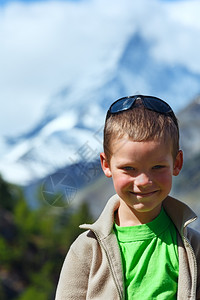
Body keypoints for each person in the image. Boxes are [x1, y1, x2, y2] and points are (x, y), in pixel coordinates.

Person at [55, 95, 200, 299]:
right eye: (129, 168)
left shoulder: (193, 247)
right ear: (106, 164)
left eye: (157, 167)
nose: (143, 181)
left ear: (177, 163)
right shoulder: (87, 249)